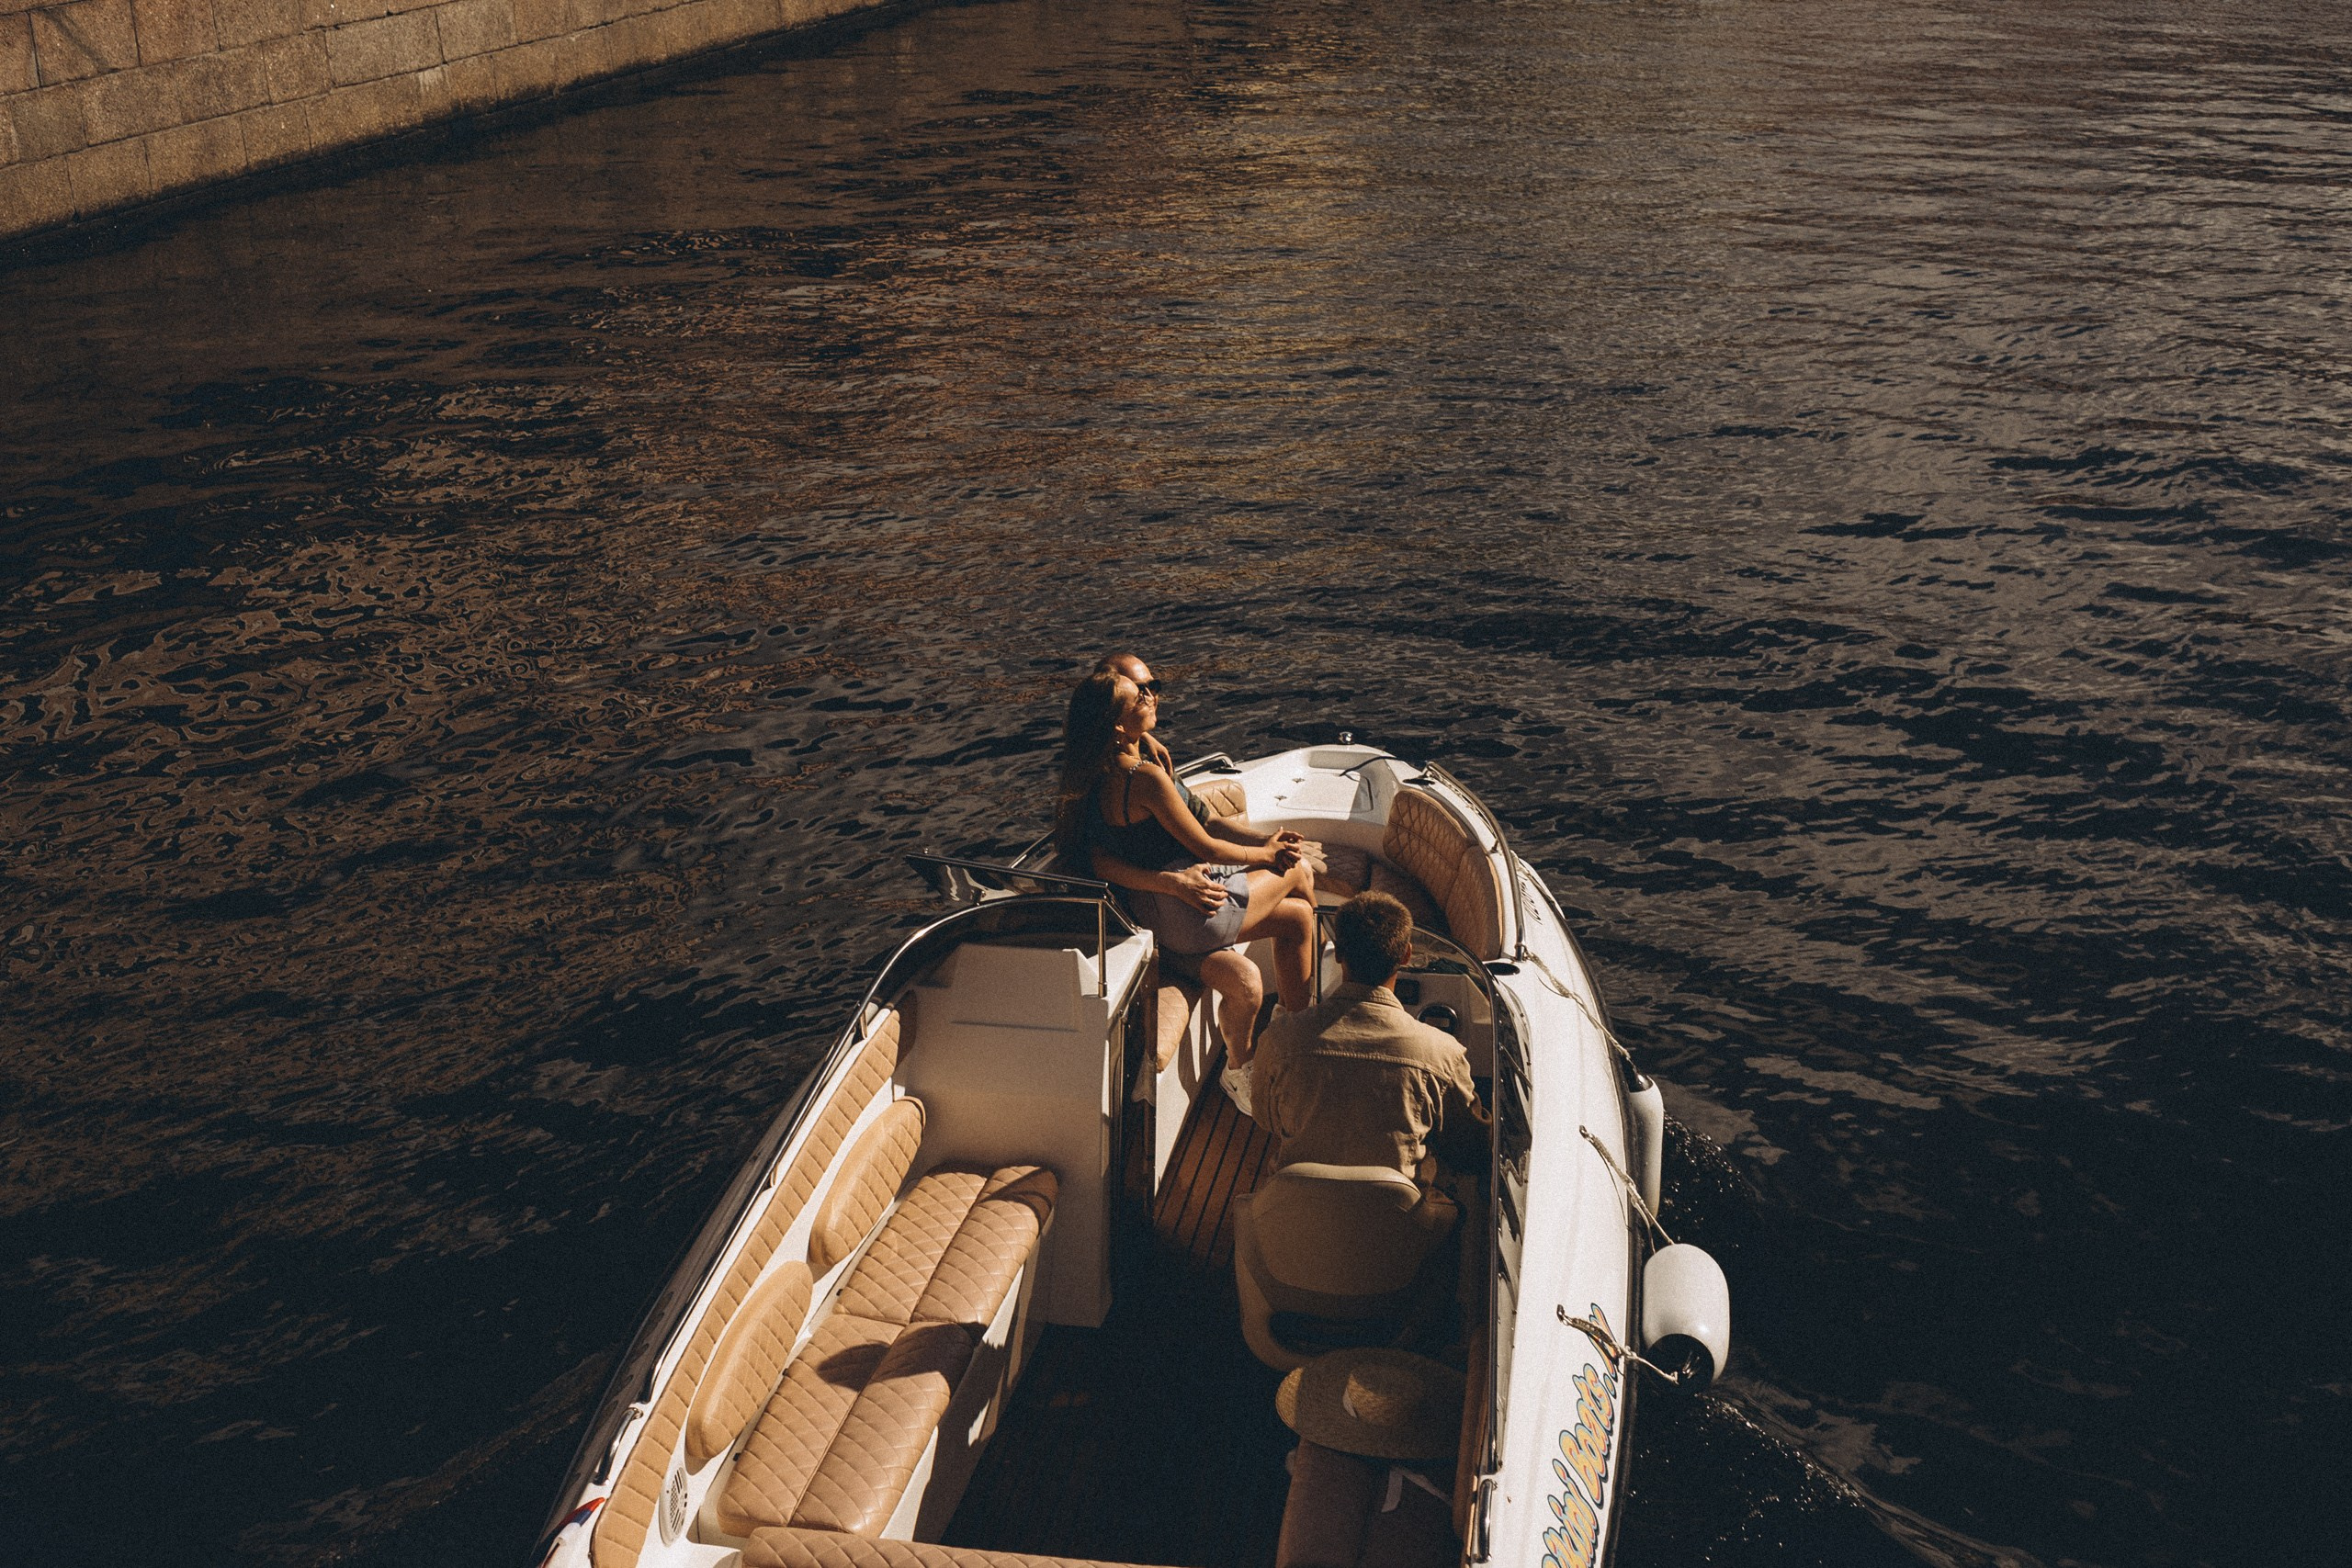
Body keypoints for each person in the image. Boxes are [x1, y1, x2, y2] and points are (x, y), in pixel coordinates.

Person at [1054, 669, 1319, 1084]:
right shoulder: (1145, 780)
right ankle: (1305, 1036)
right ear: (1119, 726)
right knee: (1298, 870)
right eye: (1140, 697)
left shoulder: (1092, 774)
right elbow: (1208, 846)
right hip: (1193, 914)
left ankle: (1297, 1031)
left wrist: (1146, 740)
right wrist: (1266, 853)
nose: (1151, 696)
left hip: (1157, 911)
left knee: (1299, 919)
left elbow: (1099, 858)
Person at [1250, 891, 1488, 1182]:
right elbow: (1470, 1145)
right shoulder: (1443, 1053)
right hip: (1396, 1217)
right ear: (1406, 955)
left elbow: (1265, 1117)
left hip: (1299, 1208)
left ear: (1338, 953)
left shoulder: (1279, 1040)